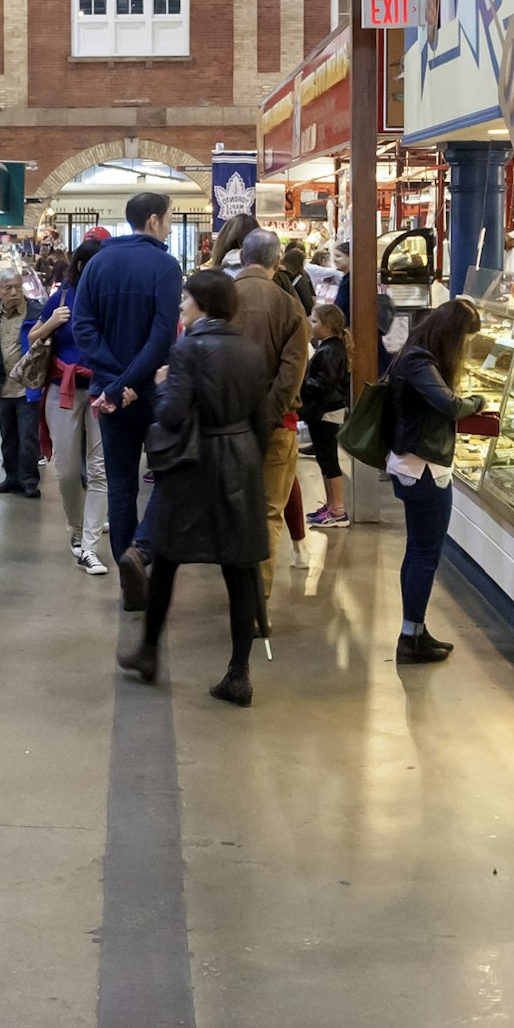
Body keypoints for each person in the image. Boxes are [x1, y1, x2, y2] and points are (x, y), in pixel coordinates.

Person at [119, 269, 274, 707]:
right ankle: (239, 673)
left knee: (167, 557)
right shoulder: (250, 351)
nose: (182, 305)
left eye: (186, 298)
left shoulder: (187, 351)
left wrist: (163, 385)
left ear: (202, 303)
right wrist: (250, 460)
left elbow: (171, 415)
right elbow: (262, 418)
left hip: (193, 465)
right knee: (239, 569)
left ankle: (148, 652)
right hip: (239, 459)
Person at [68, 190, 185, 596]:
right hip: (151, 393)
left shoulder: (97, 264)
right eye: (169, 218)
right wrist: (131, 383)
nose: (169, 225)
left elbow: (83, 328)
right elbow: (162, 335)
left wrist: (115, 382)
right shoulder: (167, 266)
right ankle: (147, 556)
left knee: (120, 486)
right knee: (169, 478)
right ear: (153, 220)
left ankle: (127, 577)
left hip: (108, 396)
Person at [383, 297, 488, 667]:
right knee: (426, 554)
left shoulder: (414, 353)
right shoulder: (419, 361)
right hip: (422, 466)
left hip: (414, 462)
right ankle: (411, 637)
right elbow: (448, 406)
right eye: (463, 340)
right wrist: (477, 402)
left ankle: (415, 630)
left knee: (418, 551)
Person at [225, 232, 311, 602]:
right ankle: (255, 601)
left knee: (231, 510)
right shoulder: (290, 307)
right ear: (278, 262)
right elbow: (292, 373)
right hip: (275, 426)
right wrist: (269, 414)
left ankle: (234, 591)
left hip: (224, 426)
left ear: (242, 257)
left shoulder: (219, 300)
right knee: (268, 513)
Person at [48, 237, 111, 574]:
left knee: (100, 469)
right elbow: (32, 339)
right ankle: (75, 530)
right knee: (68, 471)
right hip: (63, 389)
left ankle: (90, 546)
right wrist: (52, 321)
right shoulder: (62, 296)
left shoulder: (109, 298)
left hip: (101, 389)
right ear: (85, 266)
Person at [0, 275, 49, 498]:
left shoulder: (36, 312)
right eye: (8, 288)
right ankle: (12, 477)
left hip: (27, 386)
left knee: (28, 436)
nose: (14, 292)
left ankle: (29, 480)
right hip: (1, 386)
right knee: (8, 435)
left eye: (17, 287)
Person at [300, 304, 353, 530]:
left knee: (329, 459)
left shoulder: (331, 351)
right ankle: (331, 505)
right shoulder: (329, 348)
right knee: (324, 458)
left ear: (328, 326)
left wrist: (301, 382)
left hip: (326, 412)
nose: (311, 326)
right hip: (322, 411)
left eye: (314, 322)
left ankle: (338, 509)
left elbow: (325, 384)